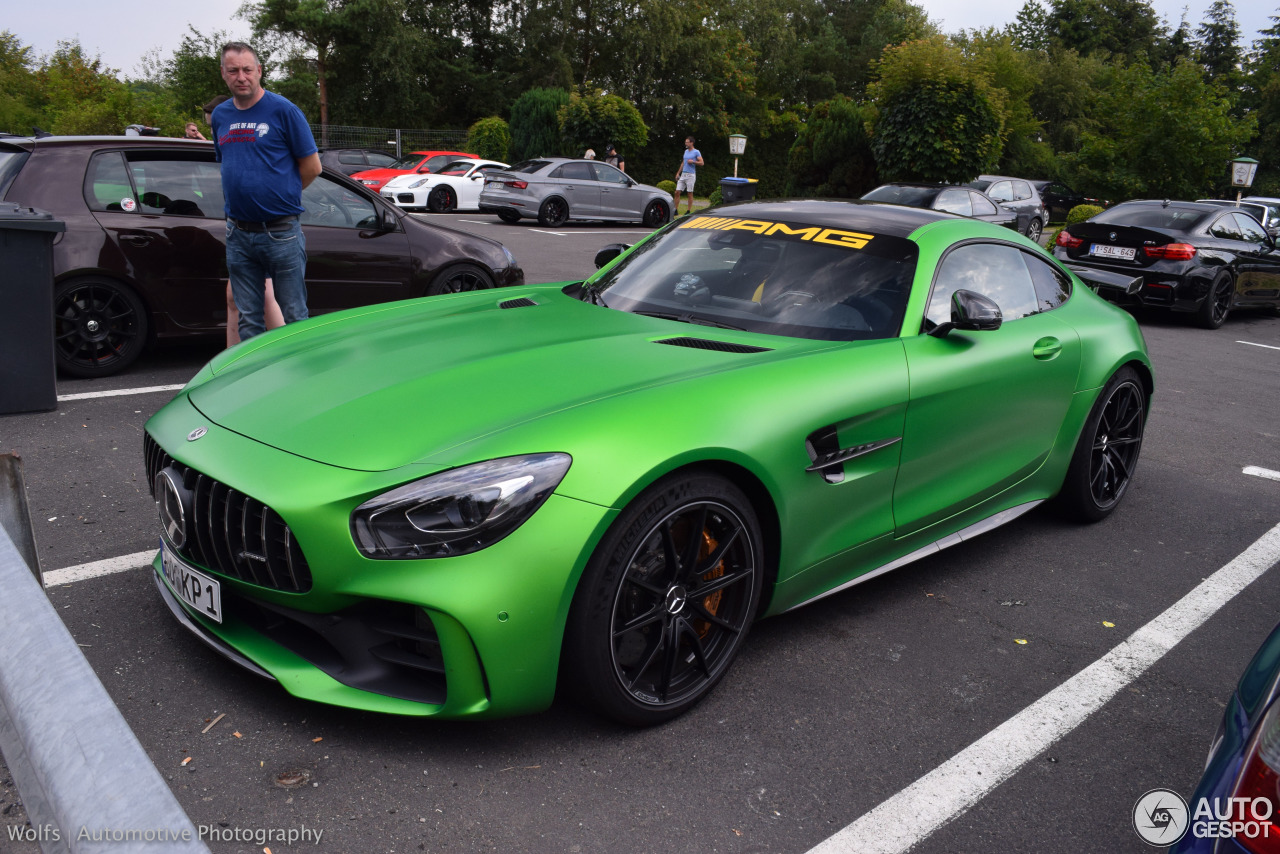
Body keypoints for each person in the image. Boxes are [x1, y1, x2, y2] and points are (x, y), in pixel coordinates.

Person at [211, 41, 321, 341]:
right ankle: (257, 383)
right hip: (238, 233)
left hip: (281, 232)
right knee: (249, 320)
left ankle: (302, 381)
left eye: (247, 69)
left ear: (259, 71)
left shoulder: (284, 110)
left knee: (294, 315)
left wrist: (281, 195)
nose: (241, 77)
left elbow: (312, 167)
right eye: (233, 71)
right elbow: (230, 165)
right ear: (224, 74)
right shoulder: (220, 116)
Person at [674, 136, 703, 216]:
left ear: (691, 143)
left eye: (687, 142)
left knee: (689, 193)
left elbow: (702, 163)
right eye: (685, 142)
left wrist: (693, 162)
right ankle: (675, 209)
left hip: (691, 175)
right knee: (677, 192)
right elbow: (683, 163)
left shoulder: (696, 152)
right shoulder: (686, 151)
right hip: (683, 174)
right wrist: (678, 173)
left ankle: (688, 211)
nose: (686, 143)